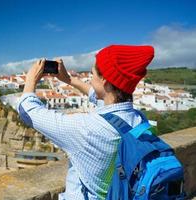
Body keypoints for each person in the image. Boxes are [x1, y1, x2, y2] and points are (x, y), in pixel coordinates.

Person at [17, 45, 154, 200]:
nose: (90, 78)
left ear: (104, 80)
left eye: (92, 73)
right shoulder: (138, 119)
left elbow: (27, 111)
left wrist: (30, 79)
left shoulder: (85, 129)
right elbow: (103, 99)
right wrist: (68, 80)